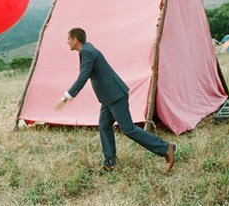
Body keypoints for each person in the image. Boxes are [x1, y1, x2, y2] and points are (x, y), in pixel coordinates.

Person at [55, 28, 175, 172]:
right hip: (108, 97)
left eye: (68, 39)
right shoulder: (87, 50)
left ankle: (165, 148)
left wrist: (67, 96)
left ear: (76, 39)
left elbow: (83, 76)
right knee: (104, 126)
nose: (67, 42)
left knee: (128, 129)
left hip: (115, 95)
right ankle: (110, 161)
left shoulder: (87, 52)